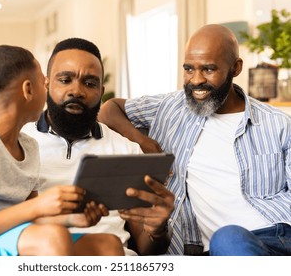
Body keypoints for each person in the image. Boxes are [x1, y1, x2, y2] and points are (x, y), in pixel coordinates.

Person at [98, 24, 291, 256]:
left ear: (236, 68)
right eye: (189, 69)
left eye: (209, 69)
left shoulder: (277, 123)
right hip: (215, 249)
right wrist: (143, 141)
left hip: (278, 238)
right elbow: (109, 109)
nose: (196, 80)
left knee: (229, 238)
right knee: (228, 239)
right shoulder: (168, 107)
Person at [0, 45, 124, 256]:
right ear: (28, 90)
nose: (48, 90)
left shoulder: (29, 146)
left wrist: (72, 219)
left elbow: (35, 216)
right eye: (43, 83)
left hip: (15, 236)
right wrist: (37, 206)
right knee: (53, 238)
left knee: (108, 245)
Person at [21, 38, 175, 256]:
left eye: (90, 83)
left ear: (101, 91)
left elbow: (147, 249)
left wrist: (158, 229)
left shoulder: (126, 151)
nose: (77, 91)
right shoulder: (17, 144)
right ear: (47, 83)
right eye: (65, 80)